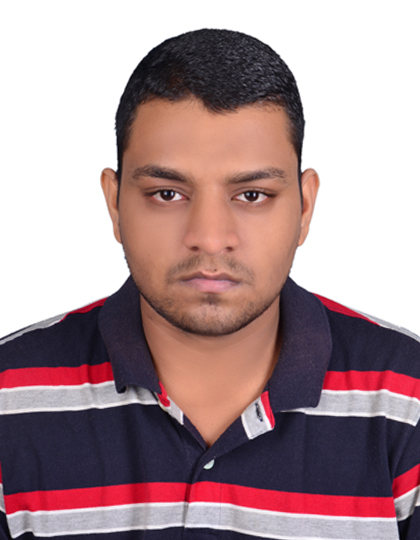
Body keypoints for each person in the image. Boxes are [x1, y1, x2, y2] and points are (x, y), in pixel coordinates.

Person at [0, 28, 419, 540]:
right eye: (167, 193)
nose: (210, 237)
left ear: (305, 208)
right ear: (114, 204)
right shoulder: (8, 397)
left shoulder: (408, 399)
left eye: (252, 195)